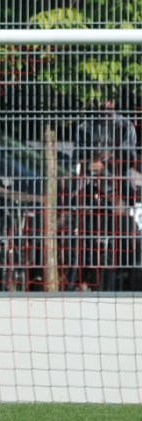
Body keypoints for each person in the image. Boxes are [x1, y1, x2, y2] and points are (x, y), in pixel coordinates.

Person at [71, 101, 138, 289]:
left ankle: (120, 279)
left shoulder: (125, 126)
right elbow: (79, 158)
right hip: (91, 189)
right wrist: (103, 162)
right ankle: (83, 276)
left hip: (118, 189)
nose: (104, 103)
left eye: (107, 99)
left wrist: (101, 163)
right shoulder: (85, 126)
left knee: (122, 237)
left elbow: (127, 159)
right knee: (86, 234)